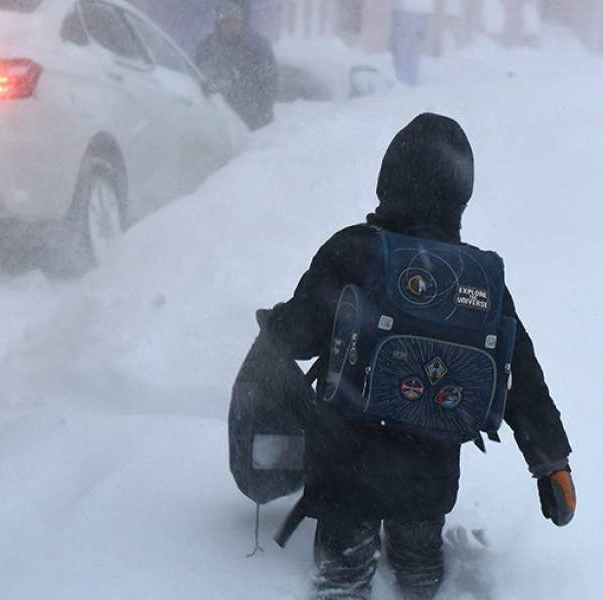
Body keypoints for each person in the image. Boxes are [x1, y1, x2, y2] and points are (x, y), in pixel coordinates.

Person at [257, 113, 575, 600]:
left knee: (342, 579)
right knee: (419, 570)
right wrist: (552, 463)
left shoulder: (354, 251)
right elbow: (523, 380)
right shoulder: (477, 280)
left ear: (389, 178)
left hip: (347, 469)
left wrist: (274, 323)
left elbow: (298, 337)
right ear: (461, 194)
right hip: (429, 478)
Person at [195, 0, 278, 130]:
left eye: (234, 21)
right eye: (226, 21)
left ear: (242, 22)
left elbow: (268, 85)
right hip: (215, 120)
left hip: (251, 121)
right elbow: (196, 78)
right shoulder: (207, 47)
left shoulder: (258, 48)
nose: (230, 26)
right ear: (219, 22)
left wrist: (260, 116)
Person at [391, 0, 433, 85]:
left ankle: (402, 80)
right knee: (414, 48)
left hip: (405, 10)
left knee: (403, 48)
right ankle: (411, 80)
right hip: (422, 10)